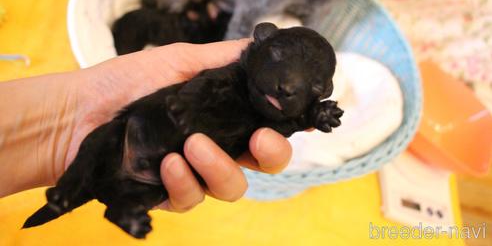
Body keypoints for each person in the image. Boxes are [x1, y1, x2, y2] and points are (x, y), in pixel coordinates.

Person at [0, 39, 292, 212]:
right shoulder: (240, 69)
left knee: (172, 175)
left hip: (150, 148)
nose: (288, 87)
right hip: (144, 131)